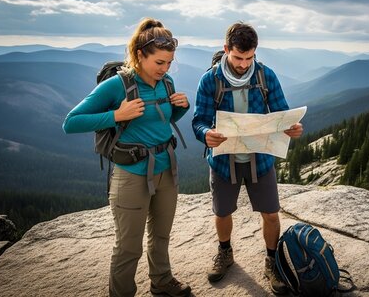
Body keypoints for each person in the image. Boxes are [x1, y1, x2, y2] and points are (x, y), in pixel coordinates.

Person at [63, 18, 192, 297]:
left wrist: (181, 107)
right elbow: (70, 122)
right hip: (131, 173)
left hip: (166, 169)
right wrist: (116, 116)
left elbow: (161, 122)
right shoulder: (116, 86)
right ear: (139, 55)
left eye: (169, 62)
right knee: (128, 246)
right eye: (159, 62)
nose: (165, 69)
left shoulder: (166, 82)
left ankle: (162, 282)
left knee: (161, 236)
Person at [191, 22, 303, 295]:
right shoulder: (210, 80)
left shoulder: (266, 76)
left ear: (255, 52)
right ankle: (225, 252)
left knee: (271, 213)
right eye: (238, 57)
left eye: (249, 57)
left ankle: (272, 260)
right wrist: (206, 134)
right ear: (226, 49)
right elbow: (198, 121)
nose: (243, 64)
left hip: (260, 159)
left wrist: (291, 127)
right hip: (223, 160)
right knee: (222, 211)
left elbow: (281, 113)